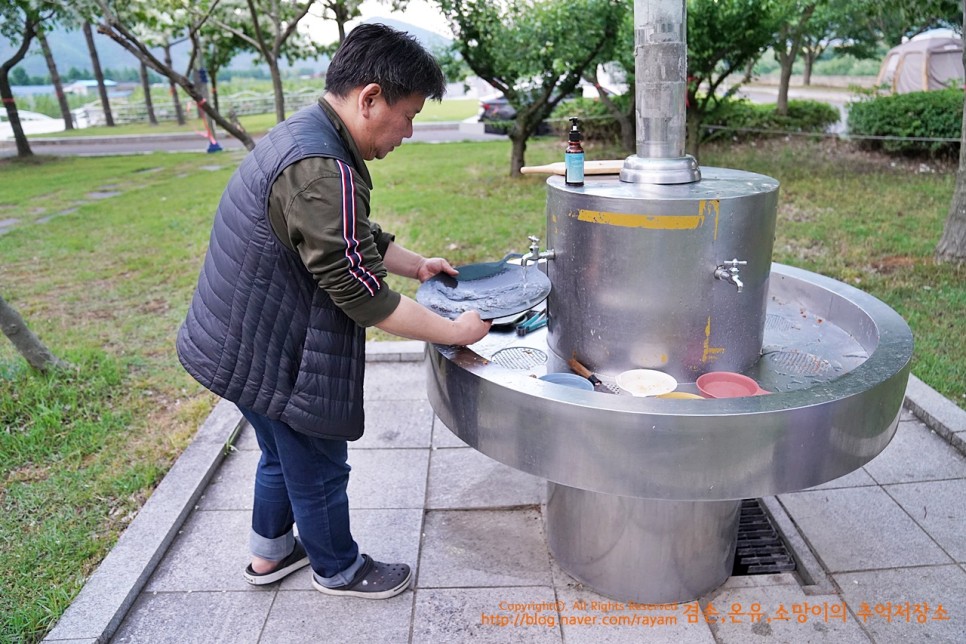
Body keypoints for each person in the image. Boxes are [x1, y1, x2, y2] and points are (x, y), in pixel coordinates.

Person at [176, 23, 491, 600]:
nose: (410, 131)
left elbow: (350, 234)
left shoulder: (307, 135)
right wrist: (454, 329)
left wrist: (417, 264)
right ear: (370, 98)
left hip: (236, 340)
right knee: (317, 462)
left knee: (278, 451)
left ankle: (269, 555)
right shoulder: (321, 167)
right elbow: (364, 295)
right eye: (411, 114)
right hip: (268, 347)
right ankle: (339, 569)